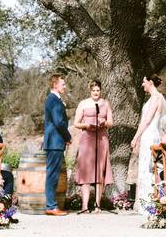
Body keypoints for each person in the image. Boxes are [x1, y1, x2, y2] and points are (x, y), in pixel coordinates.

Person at [130, 74, 166, 210]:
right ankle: (145, 200)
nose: (142, 84)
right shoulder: (154, 98)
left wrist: (135, 137)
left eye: (144, 81)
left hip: (150, 134)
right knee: (146, 166)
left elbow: (147, 120)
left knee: (149, 167)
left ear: (150, 82)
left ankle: (149, 202)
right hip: (148, 134)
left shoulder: (156, 98)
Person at [73, 80, 114, 213]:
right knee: (86, 171)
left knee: (99, 171)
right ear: (90, 91)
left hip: (101, 138)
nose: (96, 93)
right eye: (93, 90)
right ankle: (84, 206)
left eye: (98, 90)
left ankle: (97, 204)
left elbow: (111, 122)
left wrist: (105, 123)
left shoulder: (106, 103)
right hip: (87, 138)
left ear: (100, 90)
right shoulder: (83, 103)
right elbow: (76, 123)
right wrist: (86, 125)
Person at [42, 74, 71, 216]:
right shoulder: (53, 100)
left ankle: (51, 205)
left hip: (55, 142)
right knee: (52, 174)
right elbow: (59, 122)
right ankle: (51, 206)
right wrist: (68, 137)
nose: (65, 86)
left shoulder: (55, 99)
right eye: (63, 84)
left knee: (52, 174)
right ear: (55, 85)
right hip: (55, 142)